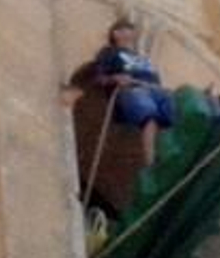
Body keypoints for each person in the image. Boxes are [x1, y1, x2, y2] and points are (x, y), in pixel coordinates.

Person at [68, 19, 176, 166]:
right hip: (132, 89)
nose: (130, 32)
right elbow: (98, 77)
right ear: (115, 34)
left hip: (154, 90)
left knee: (178, 114)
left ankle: (173, 157)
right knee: (150, 118)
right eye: (125, 29)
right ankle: (151, 164)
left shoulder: (142, 58)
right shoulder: (109, 52)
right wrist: (114, 78)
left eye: (130, 29)